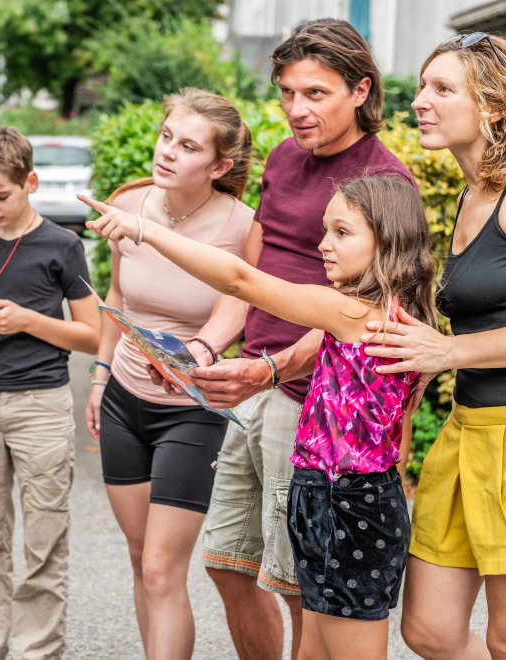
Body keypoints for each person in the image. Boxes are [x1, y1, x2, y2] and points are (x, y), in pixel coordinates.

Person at [79, 171, 437, 660]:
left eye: (342, 233)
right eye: (325, 229)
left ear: (388, 241)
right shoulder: (375, 311)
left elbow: (240, 279)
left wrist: (144, 229)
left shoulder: (361, 316)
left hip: (350, 507)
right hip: (326, 496)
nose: (323, 245)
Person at [147, 18, 417, 660]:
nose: (297, 110)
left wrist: (271, 371)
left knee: (302, 588)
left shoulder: (385, 182)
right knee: (225, 562)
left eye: (316, 94)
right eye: (288, 93)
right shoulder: (284, 158)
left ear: (362, 91)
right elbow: (250, 277)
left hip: (312, 407)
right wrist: (208, 349)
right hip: (255, 384)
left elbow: (361, 324)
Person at [84, 88, 255, 660]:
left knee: (162, 569)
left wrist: (204, 352)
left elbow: (243, 302)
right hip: (122, 402)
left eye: (187, 146)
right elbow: (116, 297)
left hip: (190, 413)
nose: (168, 153)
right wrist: (100, 376)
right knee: (140, 560)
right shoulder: (129, 201)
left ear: (220, 165)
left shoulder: (242, 226)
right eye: (165, 137)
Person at [357, 34, 506, 660]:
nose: (420, 101)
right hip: (465, 430)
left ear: (494, 108)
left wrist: (445, 353)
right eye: (422, 86)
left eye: (442, 89)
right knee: (430, 630)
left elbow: (457, 345)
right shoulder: (473, 195)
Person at [0, 126, 101, 660]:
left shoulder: (62, 245)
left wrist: (29, 321)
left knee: (43, 540)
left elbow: (91, 334)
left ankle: (38, 651)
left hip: (40, 405)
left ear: (30, 183)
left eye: (2, 196)